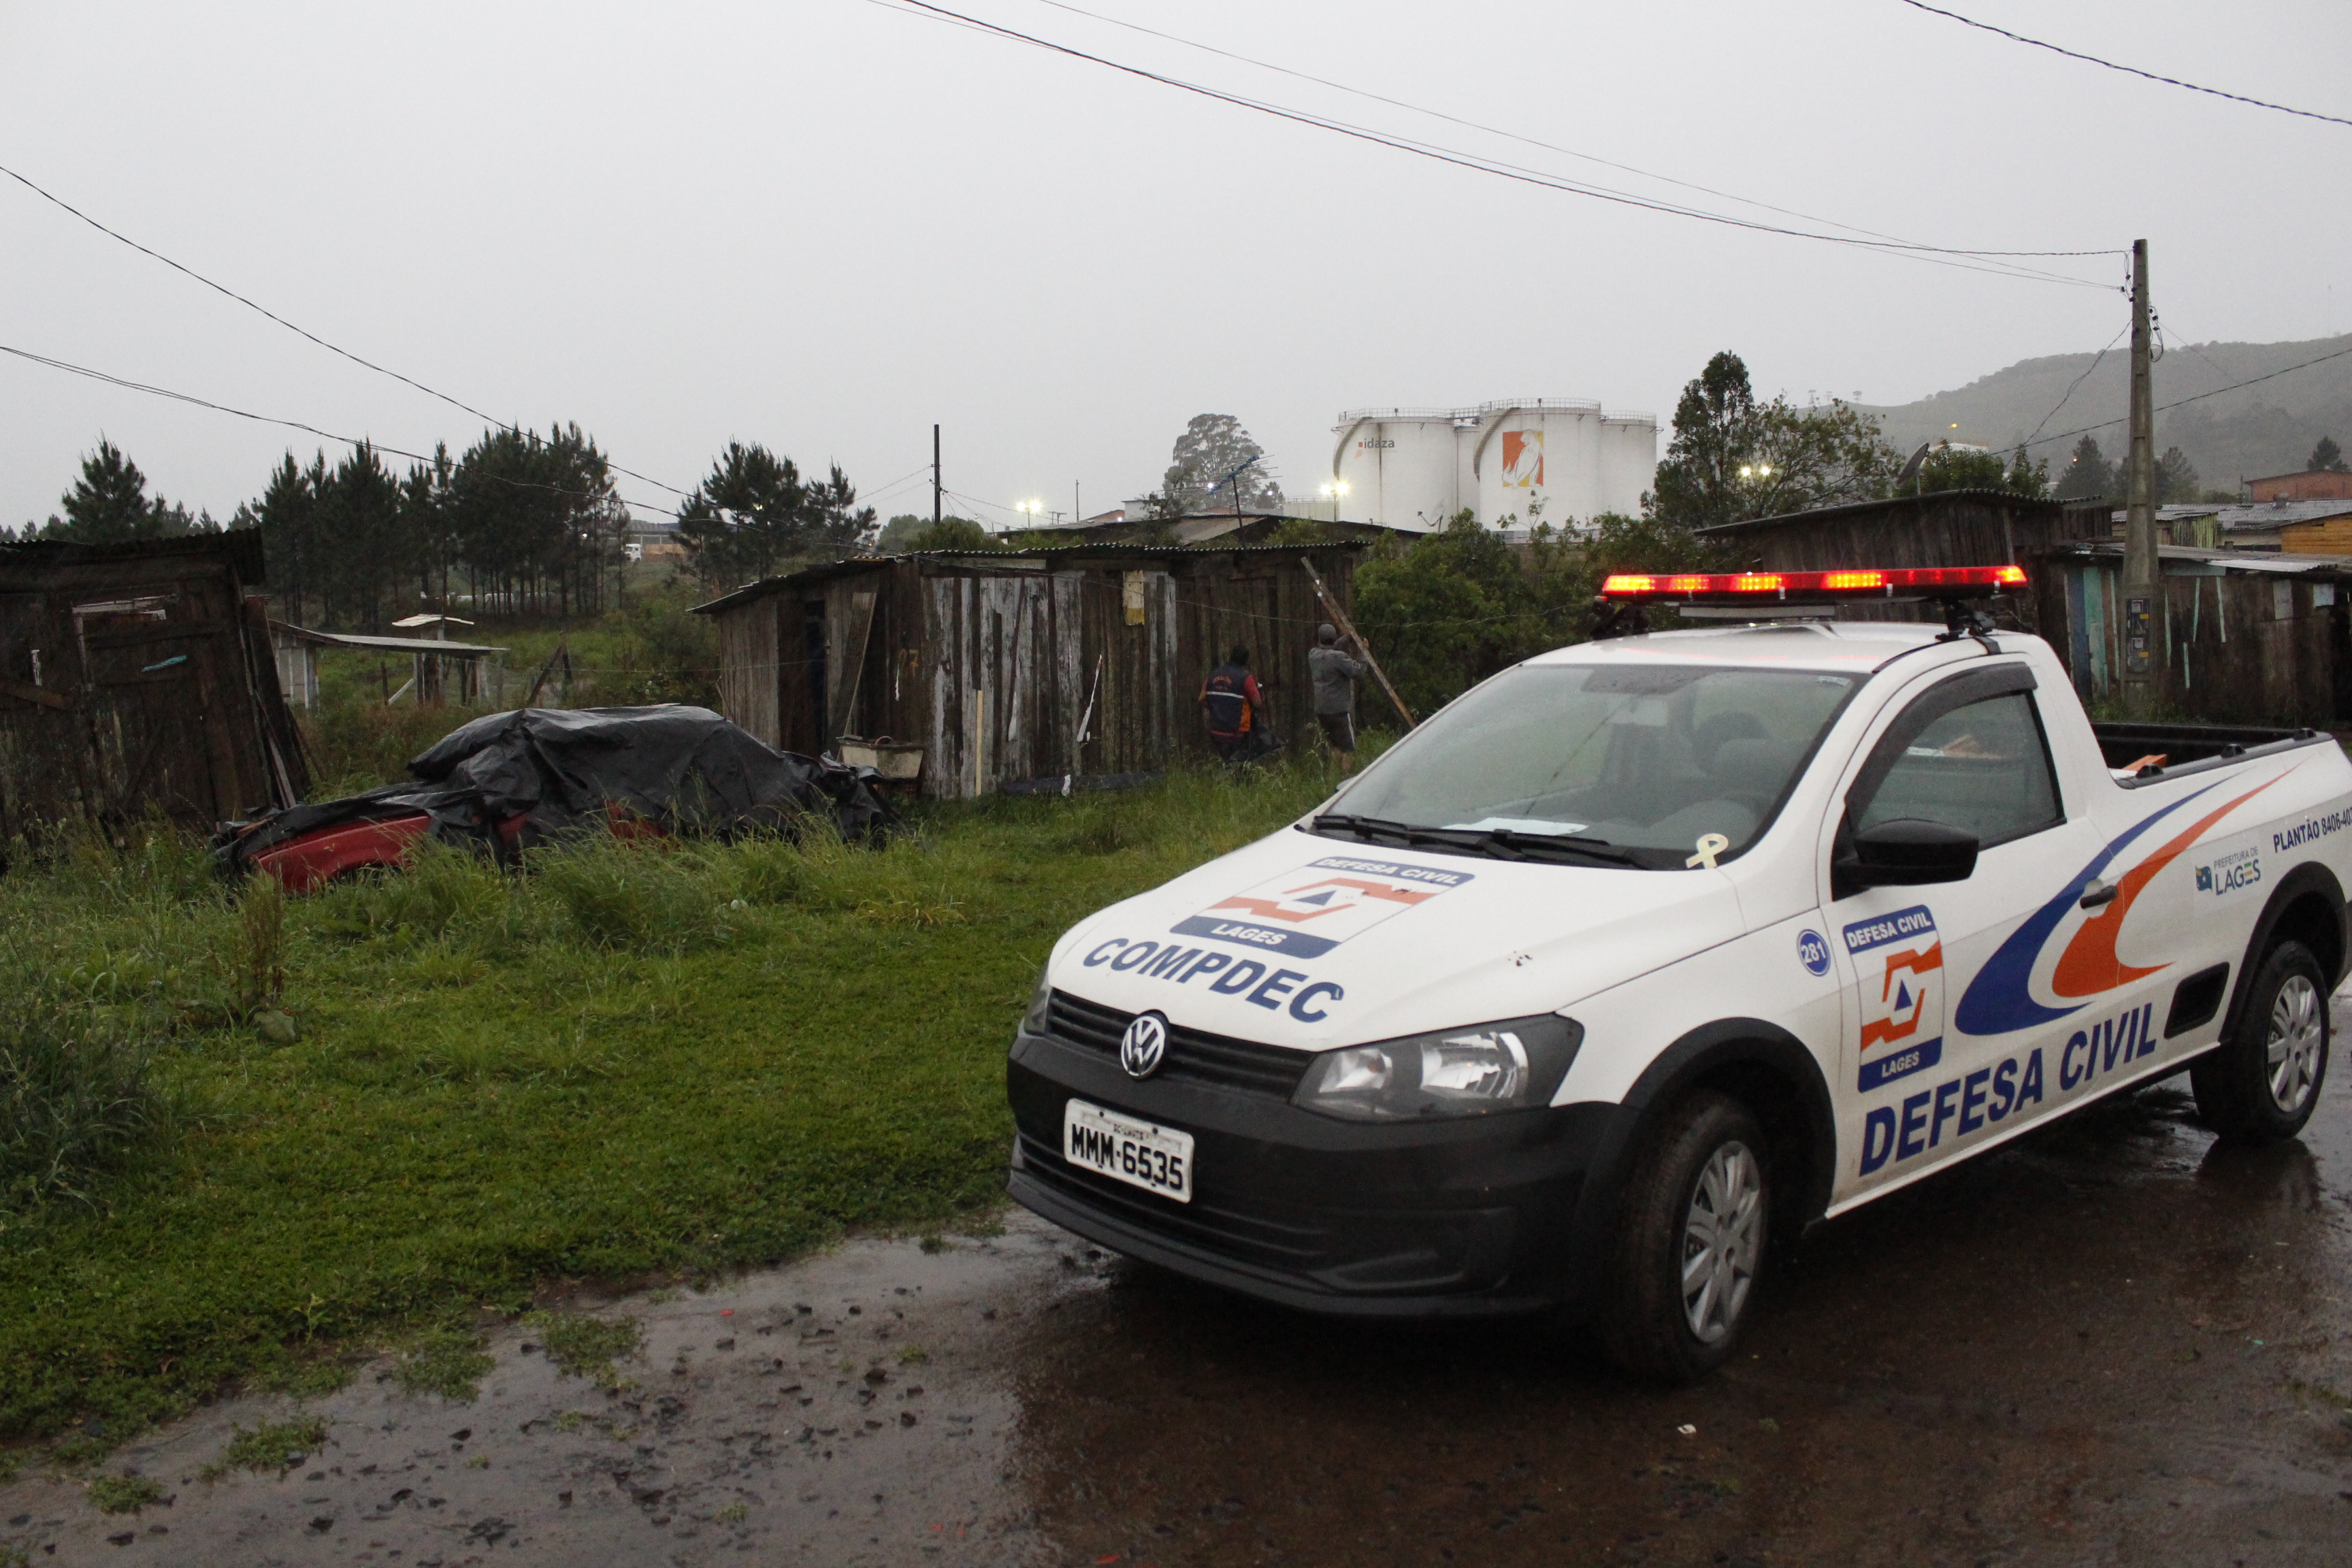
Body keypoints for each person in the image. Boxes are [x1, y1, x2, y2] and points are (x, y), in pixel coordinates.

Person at [1307, 622, 1371, 775]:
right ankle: (1345, 779)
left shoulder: (1313, 655)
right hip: (1339, 711)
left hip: (1321, 711)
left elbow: (1331, 650)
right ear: (1334, 637)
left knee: (1335, 746)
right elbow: (1359, 671)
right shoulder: (1339, 658)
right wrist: (1363, 651)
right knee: (1349, 749)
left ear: (1320, 639)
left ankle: (1335, 779)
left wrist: (1347, 638)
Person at [1199, 644, 1268, 762]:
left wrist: (1216, 709)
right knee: (1240, 769)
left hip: (1217, 730)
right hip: (1238, 732)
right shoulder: (1245, 677)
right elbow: (1258, 703)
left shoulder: (1214, 674)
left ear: (1230, 656)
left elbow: (1201, 699)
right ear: (1246, 660)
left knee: (1224, 764)